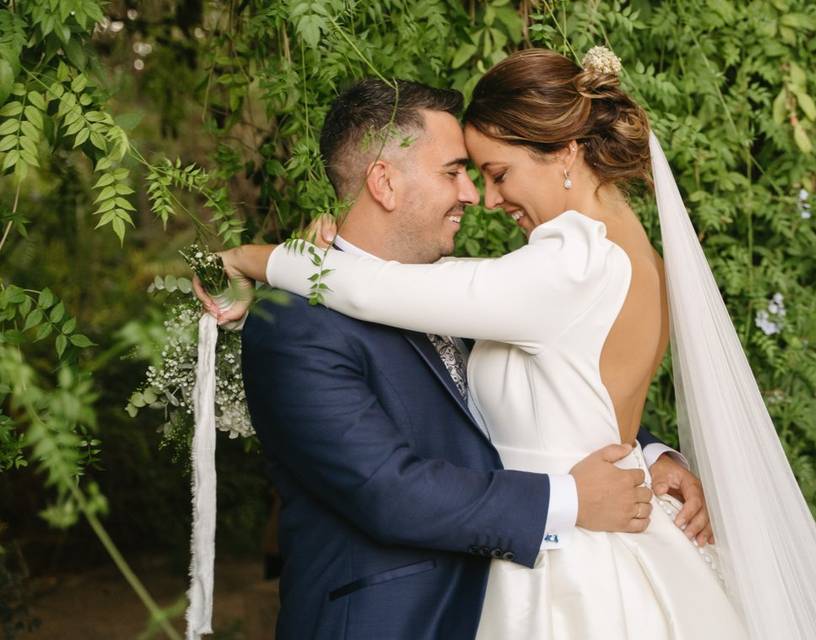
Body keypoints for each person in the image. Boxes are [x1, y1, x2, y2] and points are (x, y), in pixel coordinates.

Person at [198, 74, 716, 639]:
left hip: (533, 593)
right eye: (456, 173)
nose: (476, 196)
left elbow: (556, 383)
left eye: (487, 174)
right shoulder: (296, 325)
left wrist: (650, 457)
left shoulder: (482, 291)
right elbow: (387, 491)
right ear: (385, 182)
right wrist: (569, 497)